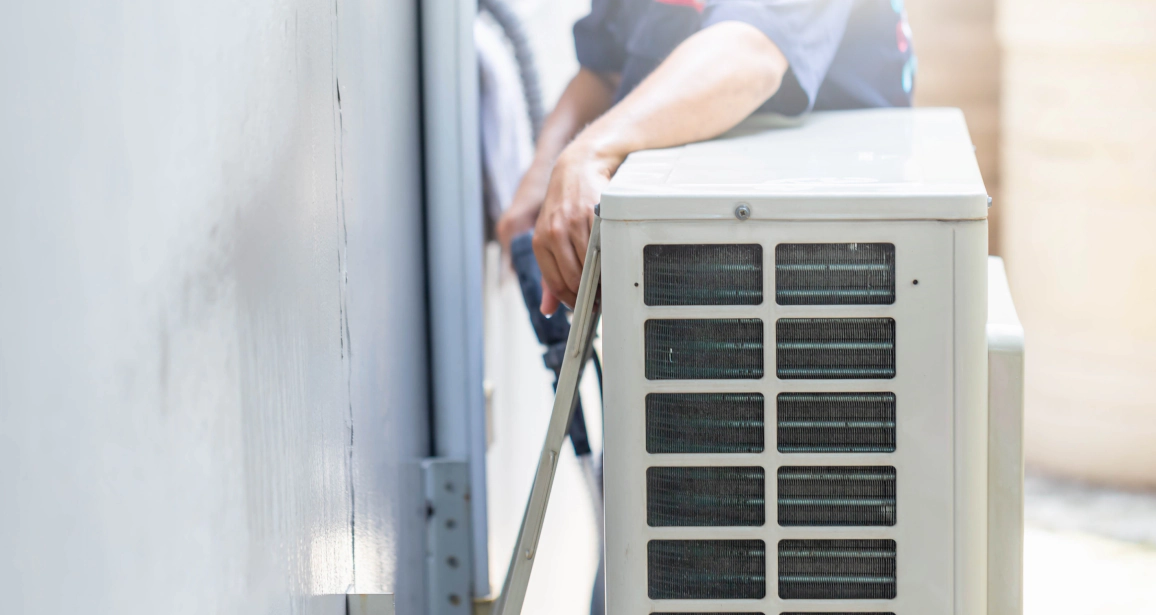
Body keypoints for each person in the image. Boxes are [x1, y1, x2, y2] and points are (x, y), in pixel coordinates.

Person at [496, 0, 916, 313]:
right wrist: (543, 175)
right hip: (679, 272)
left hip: (825, 271)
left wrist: (588, 153)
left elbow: (751, 54)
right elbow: (605, 70)